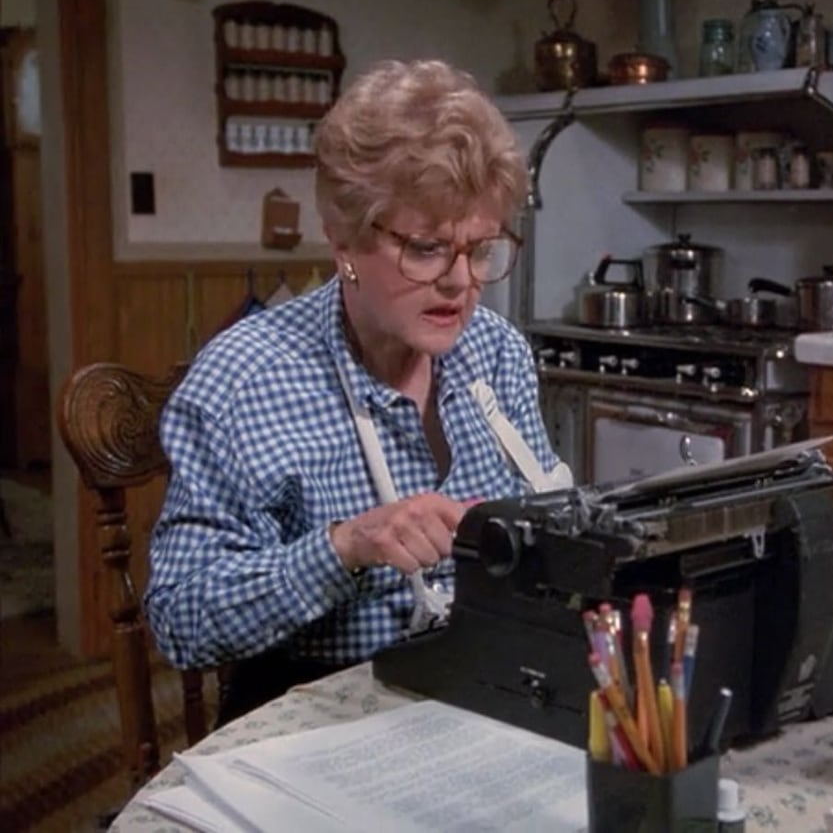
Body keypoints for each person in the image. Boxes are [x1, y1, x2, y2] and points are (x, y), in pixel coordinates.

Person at [145, 58, 569, 722]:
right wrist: (344, 546)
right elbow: (182, 620)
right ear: (343, 236)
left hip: (484, 696)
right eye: (427, 248)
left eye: (481, 250)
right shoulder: (244, 380)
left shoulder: (497, 352)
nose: (461, 283)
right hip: (318, 722)